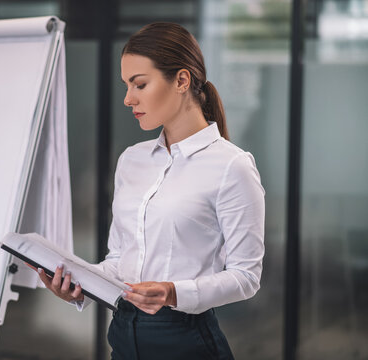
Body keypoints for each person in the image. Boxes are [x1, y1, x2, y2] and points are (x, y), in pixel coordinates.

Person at [35, 22, 265, 360]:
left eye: (139, 84)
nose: (129, 98)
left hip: (186, 341)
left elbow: (247, 277)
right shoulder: (132, 160)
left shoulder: (232, 166)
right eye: (126, 85)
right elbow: (118, 261)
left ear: (182, 81)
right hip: (124, 334)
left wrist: (173, 293)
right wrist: (77, 285)